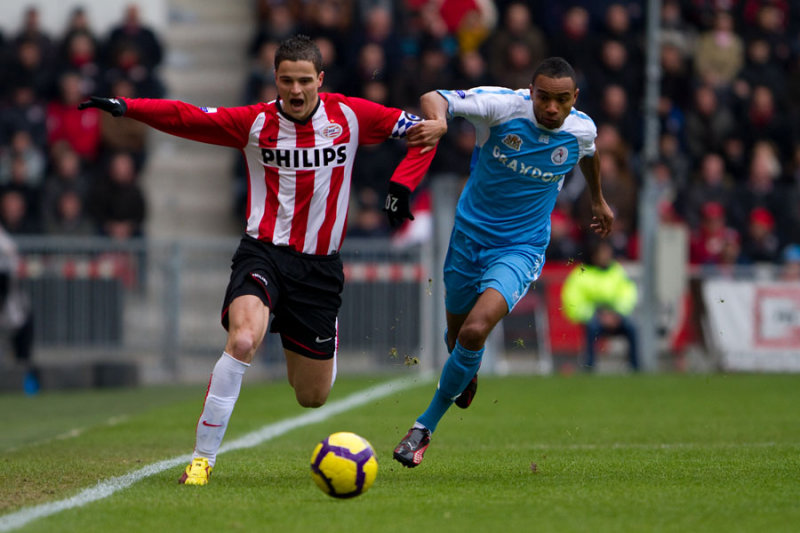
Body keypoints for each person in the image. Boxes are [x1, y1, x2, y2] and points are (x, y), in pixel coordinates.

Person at [78, 35, 435, 485]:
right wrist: (128, 106)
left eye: (305, 80)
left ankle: (309, 331)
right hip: (262, 253)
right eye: (287, 80)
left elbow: (426, 131)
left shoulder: (351, 114)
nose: (297, 90)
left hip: (319, 269)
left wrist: (404, 183)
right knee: (243, 340)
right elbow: (188, 117)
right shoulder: (254, 123)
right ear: (275, 80)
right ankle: (202, 460)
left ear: (320, 80)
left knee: (312, 397)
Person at [392, 57, 614, 468]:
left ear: (574, 99)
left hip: (521, 247)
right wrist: (439, 121)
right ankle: (464, 371)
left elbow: (590, 152)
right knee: (458, 340)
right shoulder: (500, 107)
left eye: (561, 100)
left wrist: (597, 199)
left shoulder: (581, 128)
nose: (551, 108)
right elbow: (434, 97)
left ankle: (423, 428)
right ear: (531, 92)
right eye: (543, 97)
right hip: (468, 238)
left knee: (476, 332)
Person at [560, 239, 639, 371]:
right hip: (593, 317)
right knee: (592, 327)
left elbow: (628, 293)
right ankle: (589, 366)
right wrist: (595, 314)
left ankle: (635, 367)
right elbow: (572, 301)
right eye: (602, 252)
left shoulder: (617, 271)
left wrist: (617, 314)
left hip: (616, 316)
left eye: (607, 252)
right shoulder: (581, 273)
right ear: (594, 254)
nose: (606, 256)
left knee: (633, 327)